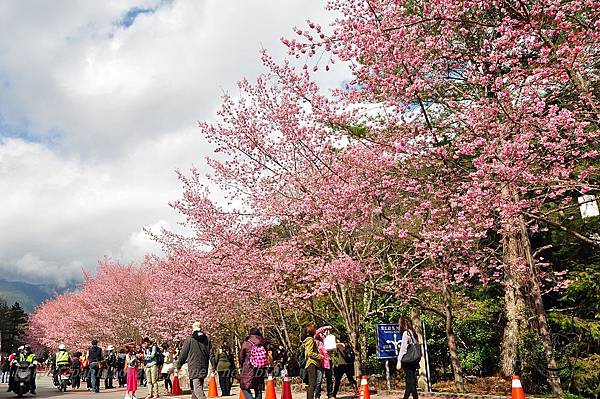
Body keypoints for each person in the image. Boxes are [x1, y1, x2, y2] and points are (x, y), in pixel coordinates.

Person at [177, 322, 216, 399]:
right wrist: (214, 365)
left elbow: (183, 353)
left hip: (194, 366)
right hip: (204, 365)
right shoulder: (207, 339)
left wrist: (179, 364)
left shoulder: (190, 339)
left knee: (197, 386)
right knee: (198, 386)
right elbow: (211, 354)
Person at [239, 328, 268, 399]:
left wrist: (241, 364)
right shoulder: (263, 342)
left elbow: (241, 356)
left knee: (244, 386)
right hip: (260, 367)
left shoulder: (247, 343)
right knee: (258, 387)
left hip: (249, 367)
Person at [397, 317, 420, 399]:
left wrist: (399, 361)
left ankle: (414, 397)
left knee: (410, 381)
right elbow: (417, 347)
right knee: (410, 380)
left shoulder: (406, 334)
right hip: (415, 359)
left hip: (408, 360)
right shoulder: (414, 333)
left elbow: (403, 349)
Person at [332, 334, 358, 399]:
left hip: (341, 365)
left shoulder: (340, 345)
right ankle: (357, 392)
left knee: (337, 380)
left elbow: (331, 346)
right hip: (349, 364)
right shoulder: (349, 344)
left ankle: (334, 394)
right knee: (351, 379)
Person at [303, 323, 323, 399]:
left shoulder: (309, 339)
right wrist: (319, 356)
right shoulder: (310, 340)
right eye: (315, 329)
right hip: (311, 363)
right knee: (312, 384)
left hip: (312, 363)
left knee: (311, 384)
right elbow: (309, 353)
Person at [314, 326, 333, 399]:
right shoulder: (316, 340)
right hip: (320, 362)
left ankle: (330, 394)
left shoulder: (327, 340)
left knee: (329, 379)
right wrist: (326, 327)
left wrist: (327, 334)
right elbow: (317, 332)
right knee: (319, 380)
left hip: (328, 361)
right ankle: (317, 395)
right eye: (325, 331)